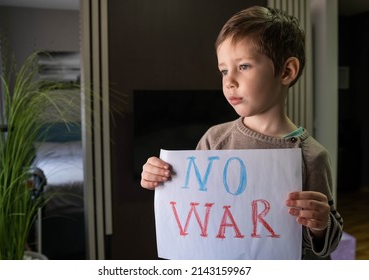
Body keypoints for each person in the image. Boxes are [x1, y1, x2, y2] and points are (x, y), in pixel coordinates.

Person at [140, 6, 343, 260]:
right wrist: (159, 177)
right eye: (224, 70)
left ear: (286, 71)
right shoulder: (215, 139)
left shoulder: (312, 156)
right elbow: (193, 206)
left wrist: (320, 225)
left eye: (244, 66)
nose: (229, 81)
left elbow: (327, 243)